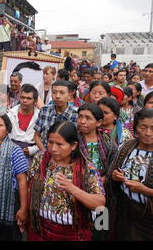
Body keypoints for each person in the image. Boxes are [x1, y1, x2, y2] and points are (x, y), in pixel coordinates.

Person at [27, 121, 105, 241]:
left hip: (71, 233)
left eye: (59, 144)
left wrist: (72, 188)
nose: (53, 148)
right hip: (39, 228)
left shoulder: (87, 169)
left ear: (73, 146)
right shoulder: (41, 158)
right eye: (50, 142)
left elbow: (99, 204)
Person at [106, 108, 153, 241]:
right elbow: (113, 173)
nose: (148, 133)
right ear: (136, 128)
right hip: (124, 209)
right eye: (143, 127)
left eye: (152, 128)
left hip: (148, 217)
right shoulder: (128, 147)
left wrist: (144, 190)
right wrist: (115, 176)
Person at [34, 80, 78, 152]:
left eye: (62, 93)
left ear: (69, 96)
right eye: (54, 92)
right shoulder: (45, 111)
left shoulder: (76, 114)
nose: (57, 96)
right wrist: (45, 152)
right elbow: (36, 136)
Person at [77, 103, 118, 180]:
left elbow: (114, 165)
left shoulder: (107, 142)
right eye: (80, 117)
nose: (82, 121)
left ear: (99, 122)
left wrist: (104, 179)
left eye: (88, 118)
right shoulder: (73, 139)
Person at [8, 84, 40, 163]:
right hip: (10, 151)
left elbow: (44, 140)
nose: (24, 100)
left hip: (32, 153)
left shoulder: (40, 116)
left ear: (35, 101)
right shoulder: (11, 113)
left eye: (28, 98)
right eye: (22, 97)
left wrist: (32, 150)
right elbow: (5, 136)